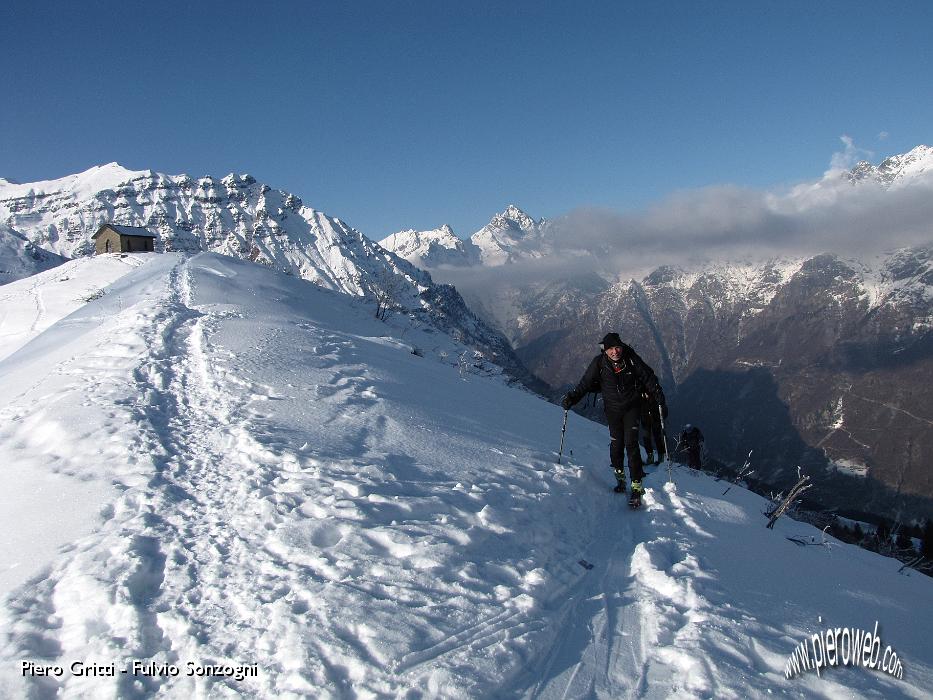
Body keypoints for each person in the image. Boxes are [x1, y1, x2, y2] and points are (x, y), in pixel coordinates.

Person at [561, 332, 667, 506]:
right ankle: (620, 478)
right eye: (610, 348)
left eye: (617, 347)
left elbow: (647, 376)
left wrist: (658, 394)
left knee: (631, 444)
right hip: (612, 410)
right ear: (605, 350)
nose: (615, 351)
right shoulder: (599, 363)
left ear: (622, 346)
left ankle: (636, 485)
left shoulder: (631, 359)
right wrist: (572, 398)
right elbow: (585, 384)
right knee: (616, 444)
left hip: (632, 408)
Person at [640, 393, 667, 465]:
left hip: (654, 418)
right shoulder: (640, 391)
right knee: (647, 438)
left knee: (656, 437)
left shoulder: (654, 392)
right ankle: (651, 456)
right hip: (646, 417)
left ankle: (660, 456)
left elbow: (661, 402)